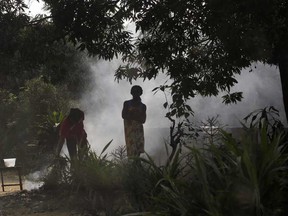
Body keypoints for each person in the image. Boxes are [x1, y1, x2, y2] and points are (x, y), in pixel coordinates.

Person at [122, 85, 147, 157]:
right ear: (131, 93)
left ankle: (136, 166)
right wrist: (136, 116)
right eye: (134, 92)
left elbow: (143, 120)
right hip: (130, 132)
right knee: (131, 150)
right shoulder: (127, 103)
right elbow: (123, 116)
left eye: (137, 92)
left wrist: (131, 114)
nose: (135, 93)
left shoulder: (143, 106)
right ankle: (134, 166)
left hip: (138, 131)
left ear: (140, 93)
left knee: (138, 151)